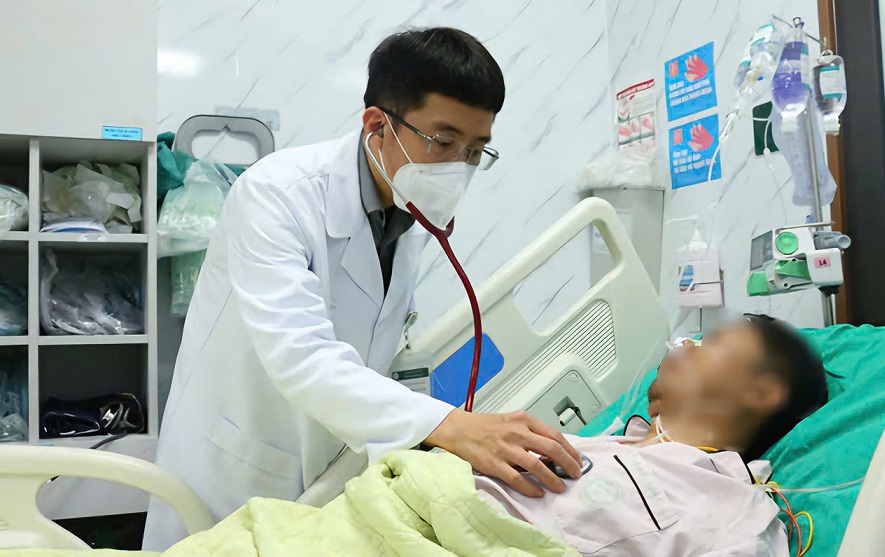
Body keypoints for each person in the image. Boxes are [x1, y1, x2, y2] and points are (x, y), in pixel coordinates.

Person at [144, 27, 581, 550]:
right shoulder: (274, 195)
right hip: (238, 471)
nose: (457, 167)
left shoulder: (407, 213)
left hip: (328, 478)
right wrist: (450, 426)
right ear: (377, 125)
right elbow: (302, 357)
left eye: (473, 151)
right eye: (443, 142)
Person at [475, 314, 829, 555]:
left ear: (761, 391)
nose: (686, 343)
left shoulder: (736, 517)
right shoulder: (600, 444)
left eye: (713, 342)